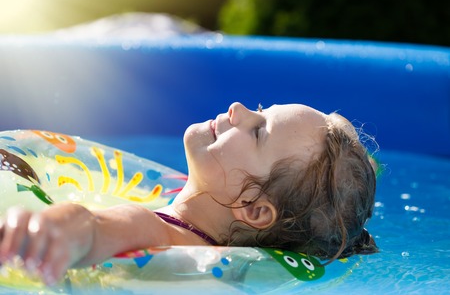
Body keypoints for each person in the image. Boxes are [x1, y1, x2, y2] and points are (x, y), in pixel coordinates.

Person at [0, 102, 378, 286]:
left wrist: (50, 225)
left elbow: (94, 226)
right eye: (260, 109)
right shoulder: (207, 247)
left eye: (257, 131)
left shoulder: (157, 231)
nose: (238, 110)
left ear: (254, 210)